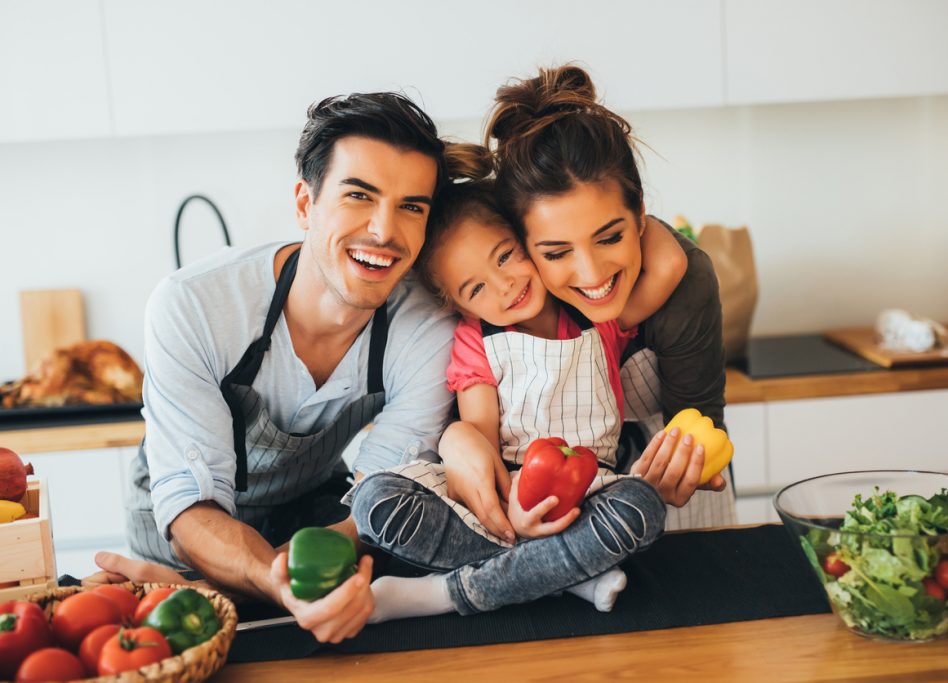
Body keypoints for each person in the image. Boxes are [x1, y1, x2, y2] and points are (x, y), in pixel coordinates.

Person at [94, 92, 458, 644]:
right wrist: (272, 582)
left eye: (412, 206)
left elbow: (382, 497)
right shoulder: (193, 305)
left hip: (308, 522)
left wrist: (295, 578)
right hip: (183, 537)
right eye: (359, 195)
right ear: (305, 204)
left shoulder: (427, 327)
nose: (385, 231)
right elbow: (194, 507)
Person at [348, 159, 690, 621]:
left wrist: (630, 211)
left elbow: (669, 262)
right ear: (457, 304)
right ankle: (572, 574)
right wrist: (515, 511)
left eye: (506, 255)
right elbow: (480, 440)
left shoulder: (595, 311)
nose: (505, 285)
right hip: (504, 493)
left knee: (641, 508)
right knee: (376, 502)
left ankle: (446, 593)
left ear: (528, 237)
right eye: (476, 288)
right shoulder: (476, 339)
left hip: (590, 493)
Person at [438, 64, 736, 543]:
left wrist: (681, 471)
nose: (593, 274)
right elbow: (468, 429)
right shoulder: (482, 316)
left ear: (641, 212)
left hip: (660, 474)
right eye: (556, 252)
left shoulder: (677, 284)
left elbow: (673, 265)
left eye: (609, 236)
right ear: (522, 241)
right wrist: (457, 442)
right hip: (533, 494)